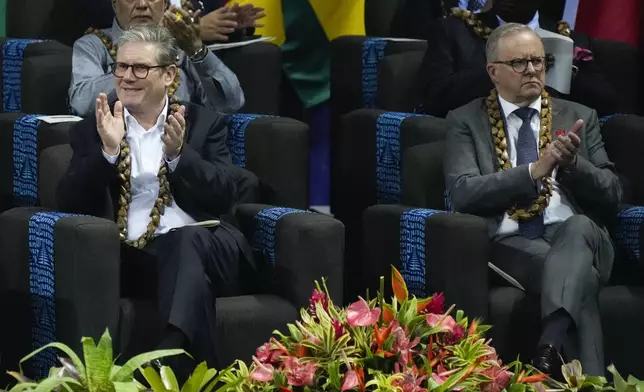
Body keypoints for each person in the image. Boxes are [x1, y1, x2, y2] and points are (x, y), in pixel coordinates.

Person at [57, 24, 258, 371]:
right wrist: (107, 152)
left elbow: (225, 195)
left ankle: (168, 355)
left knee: (185, 240)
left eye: (140, 68)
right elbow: (68, 202)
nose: (127, 77)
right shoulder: (96, 127)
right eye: (121, 67)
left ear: (169, 75)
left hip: (209, 246)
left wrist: (180, 155)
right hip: (134, 258)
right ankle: (184, 368)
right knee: (180, 263)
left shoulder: (201, 124)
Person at [443, 23, 622, 377]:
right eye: (520, 63)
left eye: (538, 61)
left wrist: (574, 165)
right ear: (493, 72)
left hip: (583, 237)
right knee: (578, 279)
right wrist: (532, 172)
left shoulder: (580, 116)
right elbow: (462, 192)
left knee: (580, 226)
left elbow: (614, 193)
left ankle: (547, 349)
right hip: (513, 242)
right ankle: (580, 369)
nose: (532, 70)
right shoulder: (465, 121)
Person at [420, 0, 618, 117]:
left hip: (555, 143)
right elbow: (433, 98)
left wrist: (569, 71)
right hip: (481, 140)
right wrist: (502, 71)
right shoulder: (453, 31)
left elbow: (607, 104)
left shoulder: (568, 39)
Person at [69, 0, 244, 117]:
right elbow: (81, 103)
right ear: (115, 5)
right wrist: (146, 59)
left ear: (165, 5)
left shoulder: (182, 45)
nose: (142, 5)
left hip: (181, 148)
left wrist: (197, 50)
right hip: (116, 150)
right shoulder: (93, 45)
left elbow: (230, 104)